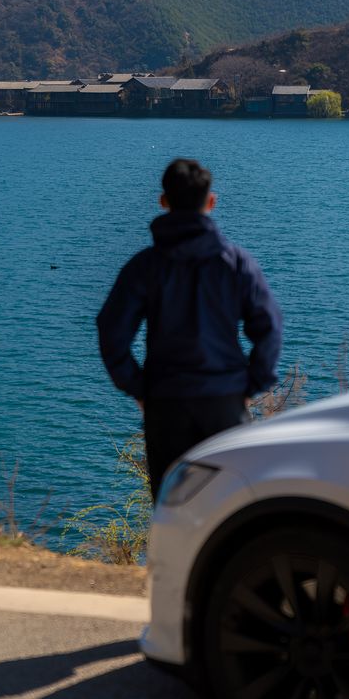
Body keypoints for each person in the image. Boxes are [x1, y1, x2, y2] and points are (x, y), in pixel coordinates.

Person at [96, 158, 282, 501]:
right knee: (231, 506)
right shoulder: (238, 263)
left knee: (171, 506)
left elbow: (111, 330)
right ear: (211, 202)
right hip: (225, 403)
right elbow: (269, 327)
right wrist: (251, 385)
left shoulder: (145, 267)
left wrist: (139, 388)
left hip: (166, 404)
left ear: (163, 202)